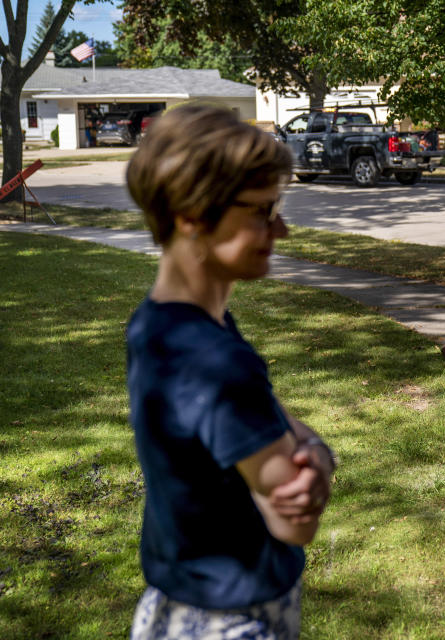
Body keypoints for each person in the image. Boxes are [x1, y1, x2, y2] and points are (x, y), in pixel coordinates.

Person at [125, 104, 336, 638]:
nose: (281, 229)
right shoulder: (217, 363)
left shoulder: (161, 326)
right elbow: (294, 522)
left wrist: (306, 448)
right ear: (192, 214)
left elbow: (272, 417)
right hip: (235, 622)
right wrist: (320, 461)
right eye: (261, 212)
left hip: (174, 609)